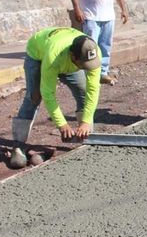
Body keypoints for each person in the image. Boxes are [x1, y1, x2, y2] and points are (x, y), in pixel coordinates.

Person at [10, 27, 102, 169]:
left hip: (65, 59)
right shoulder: (54, 56)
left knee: (83, 91)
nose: (86, 68)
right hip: (38, 54)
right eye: (82, 65)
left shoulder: (93, 52)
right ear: (73, 56)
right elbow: (48, 93)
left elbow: (93, 89)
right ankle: (18, 147)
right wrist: (62, 125)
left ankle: (85, 135)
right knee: (34, 97)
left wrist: (86, 121)